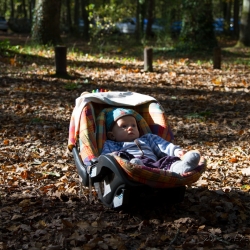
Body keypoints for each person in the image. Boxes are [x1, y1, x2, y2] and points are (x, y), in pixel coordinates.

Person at [101, 108, 203, 175]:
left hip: (154, 165)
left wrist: (177, 151)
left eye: (133, 125)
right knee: (117, 155)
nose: (130, 128)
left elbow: (163, 146)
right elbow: (105, 158)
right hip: (128, 167)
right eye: (124, 126)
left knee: (168, 160)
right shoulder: (112, 144)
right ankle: (135, 168)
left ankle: (181, 167)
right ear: (112, 135)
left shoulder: (147, 138)